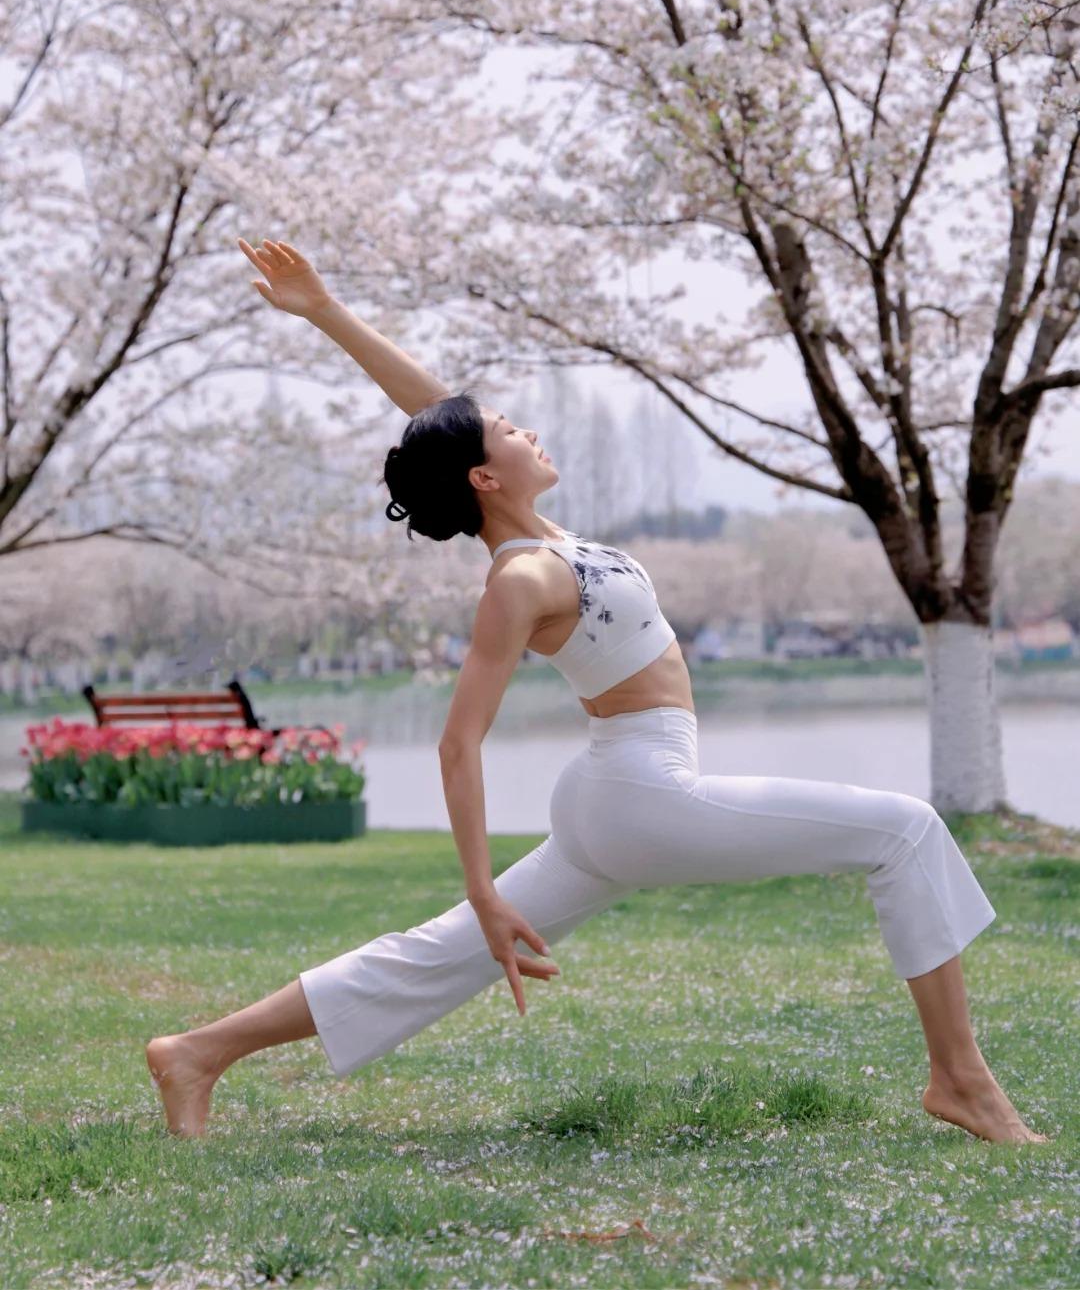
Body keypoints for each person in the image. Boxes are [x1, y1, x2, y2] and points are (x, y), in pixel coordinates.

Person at [145, 237, 1050, 1145]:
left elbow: (436, 414)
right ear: (485, 477)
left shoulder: (549, 536)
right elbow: (458, 743)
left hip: (615, 796)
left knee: (437, 956)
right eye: (506, 431)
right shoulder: (522, 578)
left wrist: (327, 310)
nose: (524, 427)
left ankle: (195, 1052)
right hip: (641, 795)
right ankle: (961, 1081)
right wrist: (482, 889)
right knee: (905, 829)